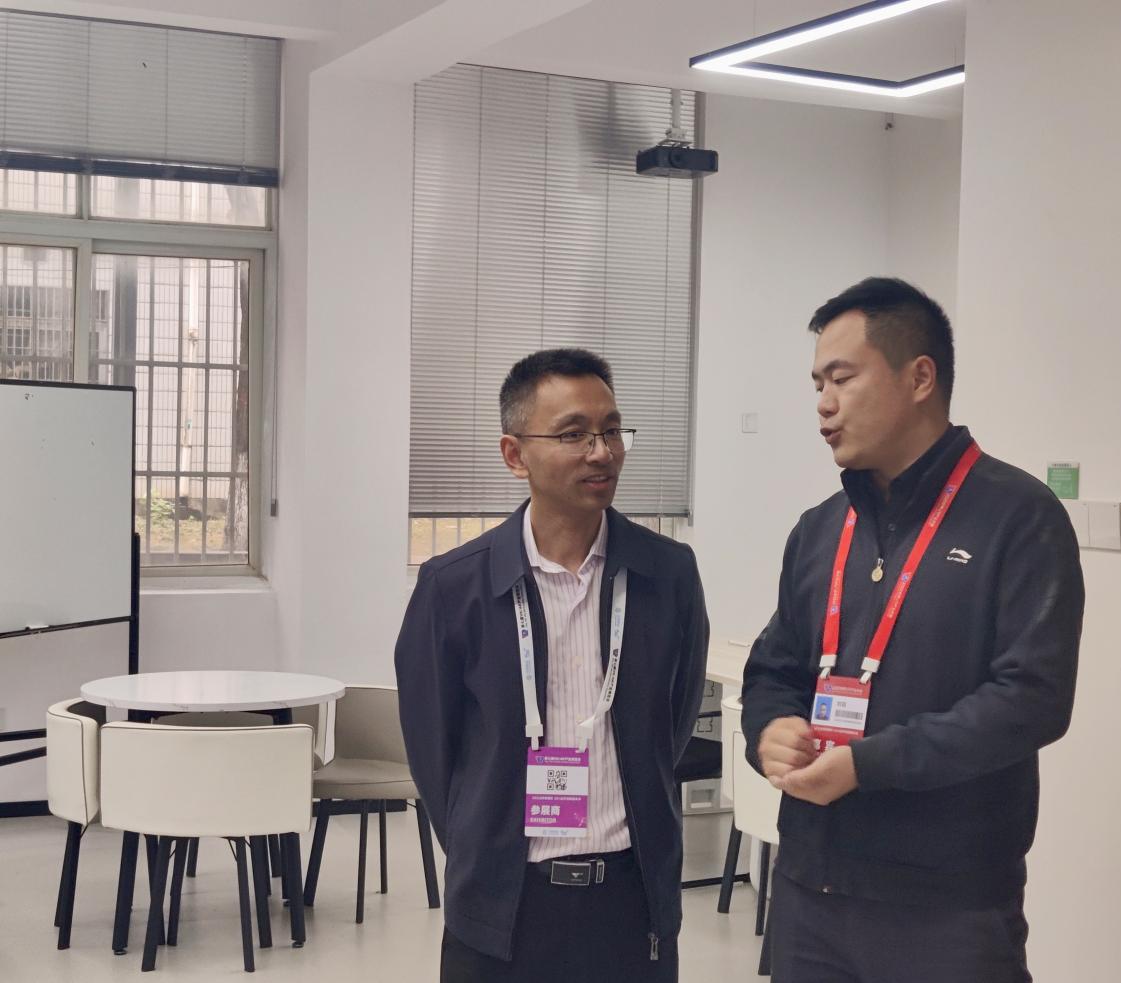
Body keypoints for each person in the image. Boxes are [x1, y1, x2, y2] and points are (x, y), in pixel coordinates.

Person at [741, 277, 1084, 982]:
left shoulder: (1018, 516)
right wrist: (768, 728)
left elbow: (1032, 698)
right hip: (810, 891)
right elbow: (775, 667)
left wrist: (870, 764)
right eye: (817, 384)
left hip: (946, 907)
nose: (823, 403)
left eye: (842, 378)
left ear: (919, 377)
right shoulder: (820, 529)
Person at [396, 348, 709, 982]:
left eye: (612, 430)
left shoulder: (668, 574)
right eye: (573, 434)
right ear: (515, 455)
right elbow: (434, 751)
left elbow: (671, 726)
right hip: (502, 908)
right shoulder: (454, 587)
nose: (602, 452)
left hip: (632, 902)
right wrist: (482, 846)